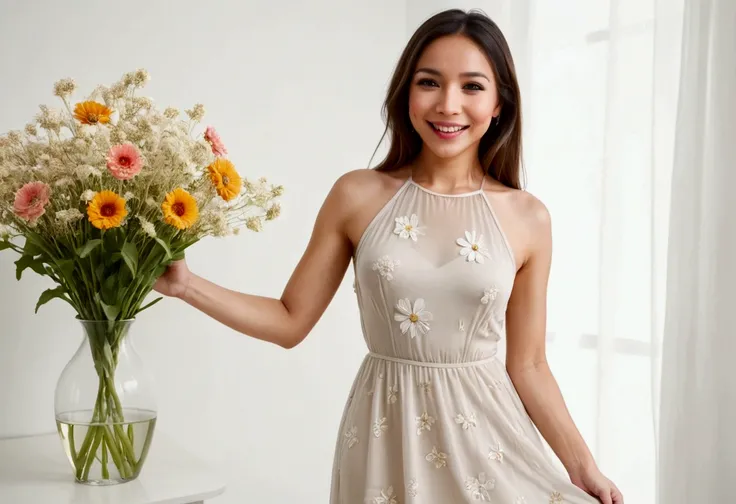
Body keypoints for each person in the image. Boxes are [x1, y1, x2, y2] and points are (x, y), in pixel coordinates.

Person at [154, 8, 623, 504]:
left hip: (491, 445)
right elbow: (290, 321)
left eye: (472, 86)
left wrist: (584, 468)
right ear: (406, 94)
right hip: (384, 437)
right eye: (429, 82)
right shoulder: (357, 196)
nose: (448, 105)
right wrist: (187, 285)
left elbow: (528, 365)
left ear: (500, 104)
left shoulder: (529, 218)